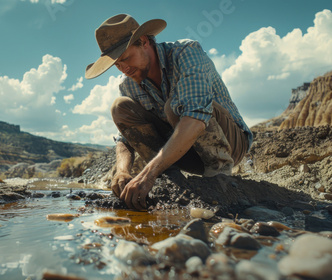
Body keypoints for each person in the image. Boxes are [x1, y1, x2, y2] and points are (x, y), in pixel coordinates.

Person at [85, 14, 253, 211]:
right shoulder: (128, 84)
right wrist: (122, 171)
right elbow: (125, 139)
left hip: (231, 145)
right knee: (119, 106)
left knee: (174, 106)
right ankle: (170, 178)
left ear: (144, 41)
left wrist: (148, 173)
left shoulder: (186, 53)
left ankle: (219, 177)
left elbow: (196, 117)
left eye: (126, 58)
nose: (124, 69)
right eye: (118, 65)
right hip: (184, 152)